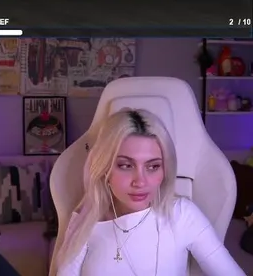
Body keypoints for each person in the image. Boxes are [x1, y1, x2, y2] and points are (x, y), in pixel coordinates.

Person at [50, 107, 243, 275]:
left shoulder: (182, 215)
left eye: (153, 166)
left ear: (165, 170)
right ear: (104, 169)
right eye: (125, 165)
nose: (140, 182)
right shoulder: (84, 221)